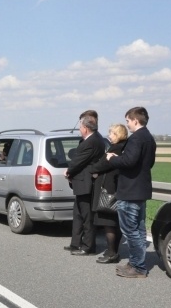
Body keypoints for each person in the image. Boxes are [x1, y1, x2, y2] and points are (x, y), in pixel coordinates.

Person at [106, 106, 156, 278]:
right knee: (139, 230)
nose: (127, 124)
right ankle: (136, 262)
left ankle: (138, 267)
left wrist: (113, 159)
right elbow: (148, 164)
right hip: (141, 189)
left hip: (130, 190)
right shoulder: (149, 137)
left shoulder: (136, 139)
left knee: (130, 230)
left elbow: (128, 161)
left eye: (128, 121)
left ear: (135, 120)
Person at [86, 123, 129, 264]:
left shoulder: (116, 149)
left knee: (108, 222)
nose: (109, 136)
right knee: (117, 222)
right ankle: (114, 251)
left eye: (111, 133)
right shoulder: (126, 147)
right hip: (119, 188)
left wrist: (93, 169)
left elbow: (102, 165)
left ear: (117, 134)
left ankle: (111, 253)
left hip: (109, 190)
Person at [64, 114, 104, 255]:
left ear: (86, 128)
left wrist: (68, 171)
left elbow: (78, 161)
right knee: (78, 214)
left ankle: (88, 247)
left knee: (87, 217)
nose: (79, 130)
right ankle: (76, 243)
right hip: (81, 184)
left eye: (80, 127)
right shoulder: (93, 139)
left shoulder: (91, 142)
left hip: (86, 184)